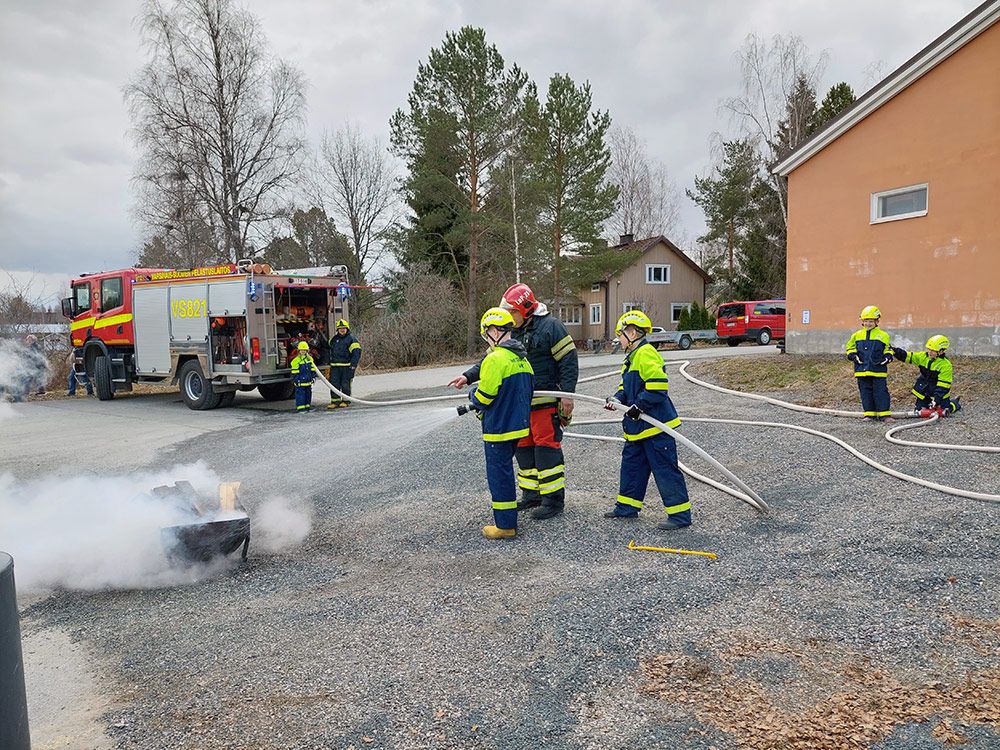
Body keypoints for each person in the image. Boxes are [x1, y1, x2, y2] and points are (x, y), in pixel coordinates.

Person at [449, 283, 578, 520]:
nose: (509, 316)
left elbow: (568, 362)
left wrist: (567, 395)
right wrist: (468, 376)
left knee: (546, 449)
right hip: (521, 404)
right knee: (524, 449)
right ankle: (532, 495)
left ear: (526, 309)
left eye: (513, 312)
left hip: (545, 400)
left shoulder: (551, 327)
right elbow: (490, 361)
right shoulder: (511, 331)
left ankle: (553, 500)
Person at [602, 310, 691, 530]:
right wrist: (617, 399)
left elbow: (658, 386)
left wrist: (639, 406)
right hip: (637, 427)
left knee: (665, 470)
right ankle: (627, 507)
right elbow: (626, 387)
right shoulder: (631, 358)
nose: (619, 339)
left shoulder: (646, 353)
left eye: (621, 334)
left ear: (632, 333)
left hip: (655, 427)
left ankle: (680, 516)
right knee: (631, 467)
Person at [467, 308, 534, 539]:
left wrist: (473, 395)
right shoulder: (522, 358)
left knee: (499, 475)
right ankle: (508, 519)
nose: (487, 339)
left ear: (495, 331)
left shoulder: (495, 358)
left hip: (499, 428)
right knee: (505, 471)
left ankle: (505, 525)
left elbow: (485, 397)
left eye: (487, 334)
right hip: (517, 427)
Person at [845, 305, 895, 423]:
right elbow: (849, 348)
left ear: (877, 321)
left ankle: (884, 415)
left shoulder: (883, 335)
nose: (868, 323)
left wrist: (888, 357)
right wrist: (852, 355)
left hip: (878, 370)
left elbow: (888, 349)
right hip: (861, 370)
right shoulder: (856, 335)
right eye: (866, 321)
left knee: (881, 392)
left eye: (871, 321)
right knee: (865, 392)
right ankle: (869, 414)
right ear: (862, 321)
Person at [892, 335, 961, 417]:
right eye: (929, 349)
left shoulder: (945, 365)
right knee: (919, 411)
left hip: (939, 395)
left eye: (933, 350)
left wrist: (936, 400)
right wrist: (894, 351)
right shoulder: (923, 357)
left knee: (944, 411)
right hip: (924, 393)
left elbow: (943, 385)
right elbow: (907, 356)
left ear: (941, 351)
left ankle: (954, 403)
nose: (930, 352)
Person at [327, 319, 361, 409]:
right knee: (334, 384)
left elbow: (356, 353)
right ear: (337, 330)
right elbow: (328, 350)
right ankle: (335, 401)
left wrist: (353, 366)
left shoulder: (351, 339)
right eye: (340, 328)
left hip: (347, 367)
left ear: (347, 329)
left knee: (345, 384)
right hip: (335, 367)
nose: (342, 330)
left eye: (344, 328)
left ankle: (345, 400)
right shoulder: (334, 339)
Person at [290, 341, 316, 413]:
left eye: (304, 350)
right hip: (300, 382)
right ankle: (301, 408)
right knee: (300, 395)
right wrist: (296, 380)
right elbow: (295, 372)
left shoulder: (310, 359)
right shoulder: (296, 361)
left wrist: (313, 377)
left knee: (308, 394)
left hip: (308, 381)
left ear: (307, 351)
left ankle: (307, 407)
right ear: (299, 351)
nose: (303, 351)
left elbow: (313, 369)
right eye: (301, 350)